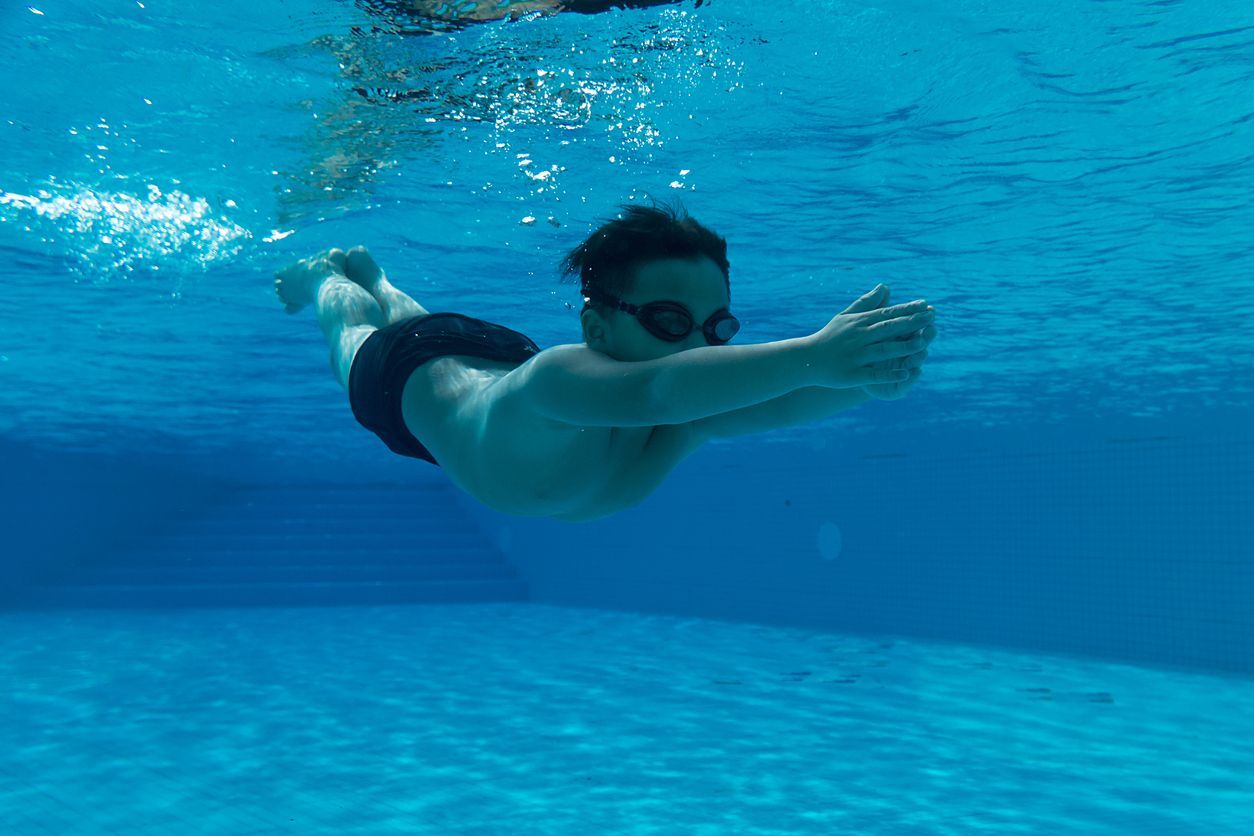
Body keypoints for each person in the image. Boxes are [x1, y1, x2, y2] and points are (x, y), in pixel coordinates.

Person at [274, 202, 936, 522]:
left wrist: (869, 376)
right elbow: (658, 393)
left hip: (485, 361)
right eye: (671, 322)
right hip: (404, 376)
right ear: (597, 328)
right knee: (351, 331)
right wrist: (819, 353)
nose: (700, 347)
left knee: (416, 319)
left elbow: (778, 402)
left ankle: (384, 282)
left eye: (717, 328)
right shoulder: (559, 377)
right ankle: (323, 281)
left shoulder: (682, 412)